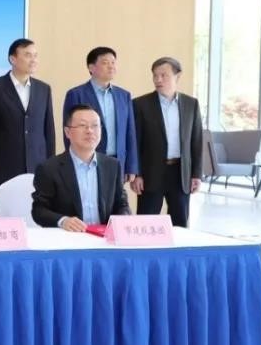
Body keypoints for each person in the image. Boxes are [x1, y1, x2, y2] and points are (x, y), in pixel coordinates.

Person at [0, 38, 55, 214]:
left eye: (35, 55)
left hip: (37, 164)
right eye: (28, 55)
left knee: (37, 211)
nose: (33, 60)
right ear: (12, 59)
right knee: (4, 211)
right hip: (5, 164)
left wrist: (50, 165)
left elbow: (48, 130)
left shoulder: (43, 89)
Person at [32, 105, 131, 231]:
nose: (90, 131)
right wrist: (63, 221)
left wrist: (121, 220)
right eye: (83, 125)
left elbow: (122, 204)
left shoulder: (112, 165)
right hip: (68, 237)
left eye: (95, 125)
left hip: (103, 237)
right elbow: (39, 210)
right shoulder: (49, 168)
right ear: (67, 132)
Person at [131, 57, 203, 227]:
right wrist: (137, 174)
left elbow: (196, 141)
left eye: (164, 75)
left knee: (180, 223)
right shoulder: (140, 104)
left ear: (177, 76)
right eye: (155, 75)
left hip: (180, 172)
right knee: (145, 224)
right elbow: (135, 142)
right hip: (150, 173)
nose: (158, 80)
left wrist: (196, 174)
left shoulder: (191, 104)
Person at [62, 46, 138, 181]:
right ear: (91, 68)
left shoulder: (123, 95)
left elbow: (130, 132)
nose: (111, 66)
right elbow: (69, 132)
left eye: (113, 62)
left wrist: (131, 167)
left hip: (117, 162)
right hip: (87, 161)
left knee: (115, 195)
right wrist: (73, 162)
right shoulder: (76, 94)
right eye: (105, 63)